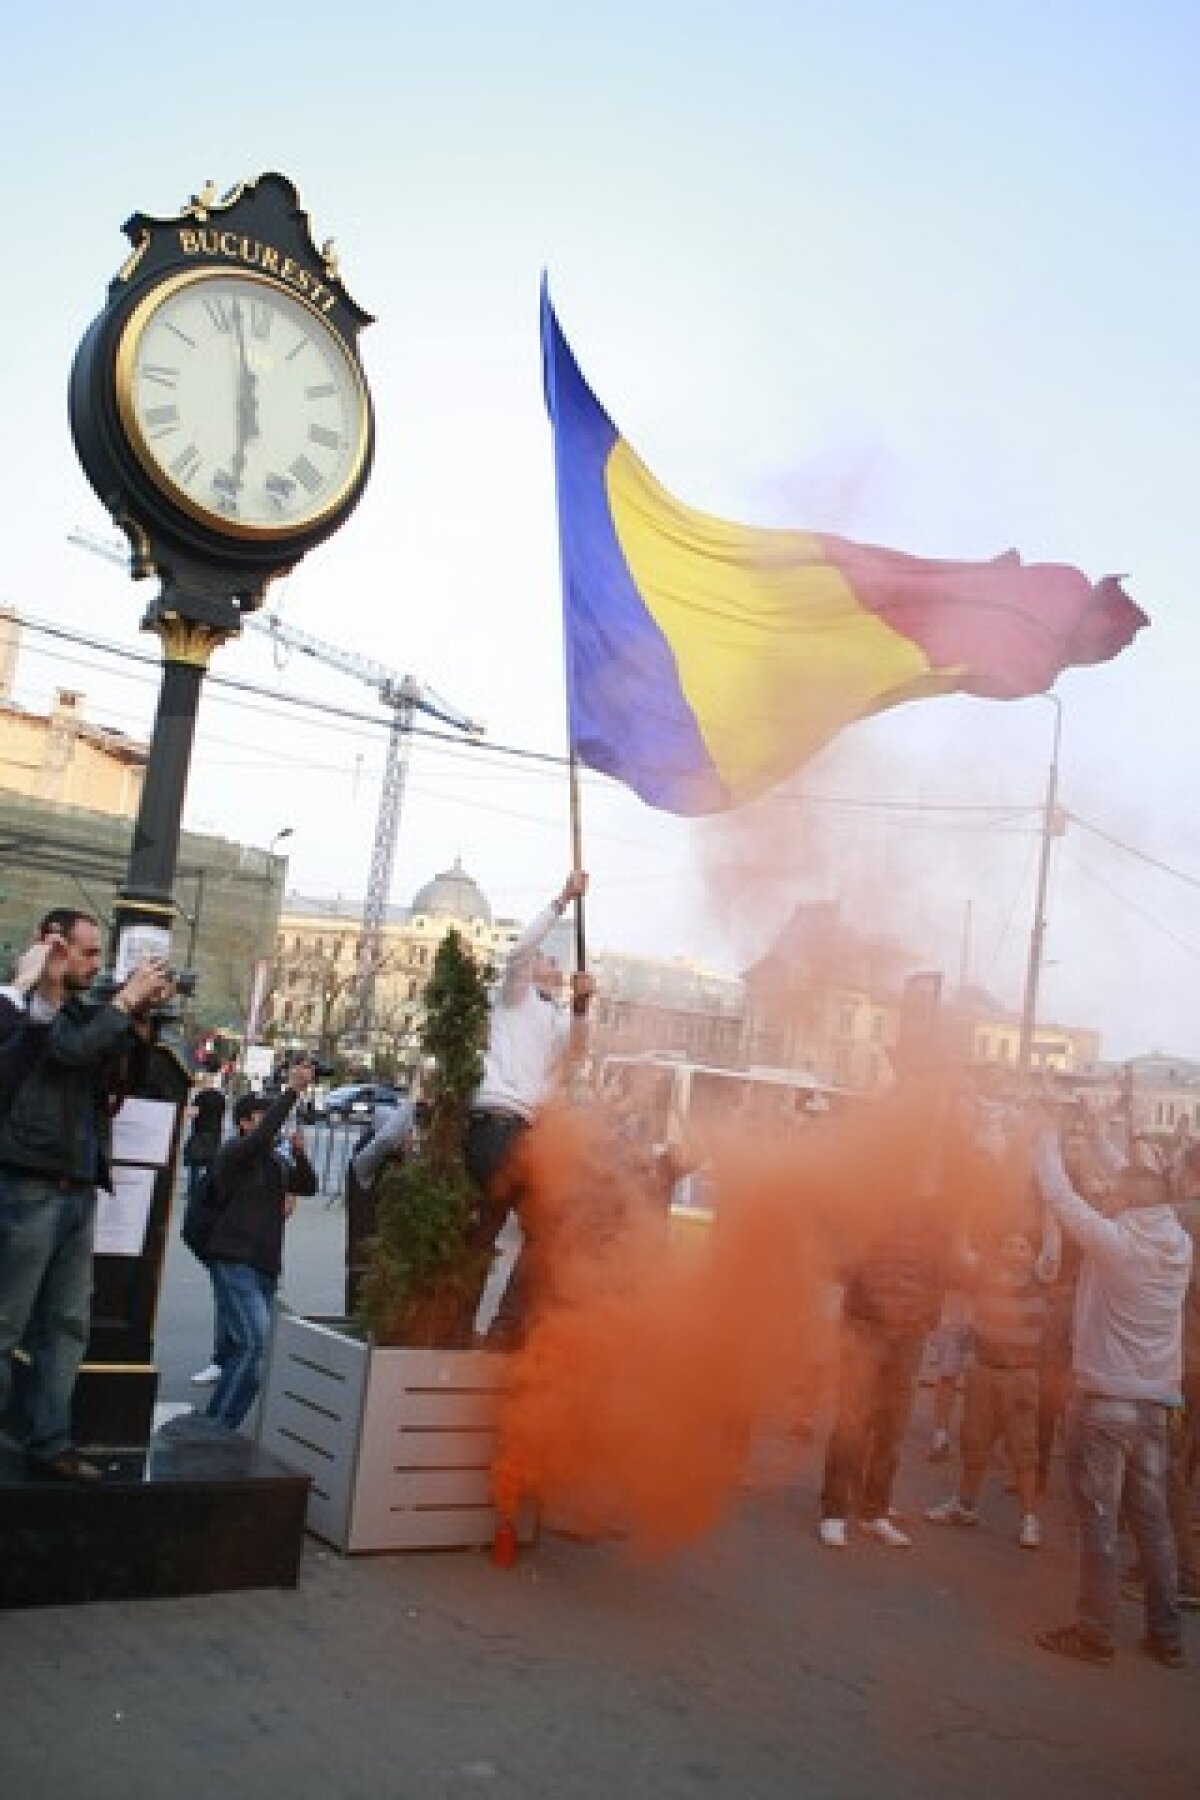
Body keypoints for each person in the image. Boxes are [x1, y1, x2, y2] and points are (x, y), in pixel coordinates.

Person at [0, 909, 172, 1480]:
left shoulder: (80, 1012)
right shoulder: (24, 1007)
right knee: (8, 1323)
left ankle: (49, 1442)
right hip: (29, 1182)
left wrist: (138, 1020)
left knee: (69, 1324)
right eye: (88, 952)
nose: (96, 964)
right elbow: (65, 1050)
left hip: (75, 1184)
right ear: (53, 945)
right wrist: (122, 1005)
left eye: (100, 954)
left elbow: (119, 1074)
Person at [1033, 1117, 1193, 1668]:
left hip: (1105, 1403)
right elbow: (1130, 1180)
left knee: (1099, 1520)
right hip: (1155, 1405)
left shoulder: (1117, 1243)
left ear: (1126, 1200)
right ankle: (1165, 1635)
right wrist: (1101, 1131)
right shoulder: (1177, 1243)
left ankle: (1094, 1631)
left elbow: (1058, 1194)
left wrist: (1045, 1134)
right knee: (1152, 1523)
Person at [462, 871, 593, 1346]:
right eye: (546, 957)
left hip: (523, 1135)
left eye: (555, 961)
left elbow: (576, 1053)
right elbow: (517, 952)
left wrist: (581, 1006)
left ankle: (498, 1327)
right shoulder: (513, 1000)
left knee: (527, 1231)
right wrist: (561, 900)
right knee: (513, 1230)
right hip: (499, 1127)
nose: (552, 963)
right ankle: (485, 1326)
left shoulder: (553, 1018)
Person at [925, 1216, 1060, 1548]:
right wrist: (965, 1206)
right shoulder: (984, 1276)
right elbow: (960, 1249)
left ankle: (1030, 1519)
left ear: (1032, 1254)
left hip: (1020, 1378)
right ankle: (965, 1505)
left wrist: (1050, 1212)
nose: (1016, 1251)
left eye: (1022, 1246)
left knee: (1023, 1452)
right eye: (1009, 1245)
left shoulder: (1041, 1278)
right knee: (974, 1443)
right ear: (999, 1252)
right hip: (984, 1372)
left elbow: (1053, 1241)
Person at [818, 1207, 946, 1549]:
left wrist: (926, 1316)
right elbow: (841, 1264)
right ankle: (834, 1511)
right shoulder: (866, 1204)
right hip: (866, 1328)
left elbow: (937, 1272)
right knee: (851, 1422)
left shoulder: (928, 1217)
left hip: (907, 1335)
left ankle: (874, 1512)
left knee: (892, 1427)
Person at [203, 1061, 317, 1431]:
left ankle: (213, 1425)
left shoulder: (274, 1161)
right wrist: (292, 1091)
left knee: (246, 1349)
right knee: (257, 1345)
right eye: (258, 1117)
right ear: (243, 1123)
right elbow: (260, 1136)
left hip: (263, 1264)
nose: (269, 1123)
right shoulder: (235, 1152)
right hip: (235, 1258)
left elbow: (308, 1186)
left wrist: (300, 1154)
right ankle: (221, 1428)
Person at [345, 1095, 416, 1313]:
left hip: (390, 1267)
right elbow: (385, 1139)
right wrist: (411, 1103)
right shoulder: (364, 1163)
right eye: (407, 1133)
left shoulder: (399, 1166)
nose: (410, 1139)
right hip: (366, 1267)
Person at [184, 1083, 229, 1386]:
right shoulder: (224, 1141)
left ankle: (224, 1360)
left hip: (228, 1248)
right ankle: (225, 1360)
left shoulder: (204, 1106)